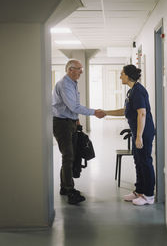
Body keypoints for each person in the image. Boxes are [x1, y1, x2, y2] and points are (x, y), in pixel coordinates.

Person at [52, 59, 105, 205]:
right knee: (68, 155)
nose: (81, 71)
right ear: (70, 69)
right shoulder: (64, 84)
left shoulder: (72, 83)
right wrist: (94, 112)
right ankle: (70, 190)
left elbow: (72, 108)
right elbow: (74, 106)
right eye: (79, 69)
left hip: (70, 122)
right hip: (61, 124)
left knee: (70, 155)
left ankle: (64, 187)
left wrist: (77, 122)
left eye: (81, 69)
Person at [104, 64, 155, 206]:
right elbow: (125, 111)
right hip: (137, 131)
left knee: (145, 161)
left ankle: (149, 195)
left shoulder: (138, 91)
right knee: (138, 161)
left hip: (143, 132)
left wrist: (139, 136)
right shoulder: (132, 91)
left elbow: (142, 113)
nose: (120, 76)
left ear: (128, 75)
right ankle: (139, 191)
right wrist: (105, 112)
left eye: (122, 73)